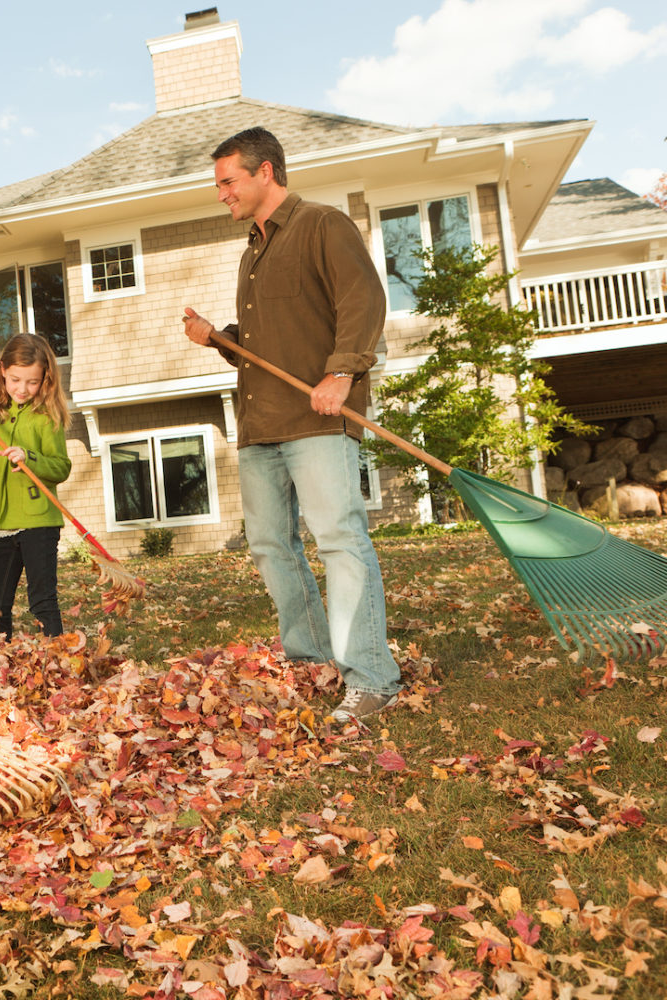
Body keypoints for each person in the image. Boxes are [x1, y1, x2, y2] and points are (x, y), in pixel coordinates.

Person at [181, 126, 401, 723]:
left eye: (228, 181)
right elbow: (266, 345)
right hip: (261, 424)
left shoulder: (322, 225)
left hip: (317, 421)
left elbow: (363, 301)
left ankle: (372, 678)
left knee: (339, 541)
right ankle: (313, 662)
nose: (222, 193)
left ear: (265, 172)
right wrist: (217, 337)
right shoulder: (252, 251)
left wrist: (342, 373)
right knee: (271, 547)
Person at [0, 333, 72, 639]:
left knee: (42, 599)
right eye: (16, 380)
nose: (22, 389)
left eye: (32, 382)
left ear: (45, 379)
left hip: (39, 522)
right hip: (4, 522)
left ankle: (56, 653)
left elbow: (61, 467)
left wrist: (30, 458)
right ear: (3, 371)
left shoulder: (46, 417)